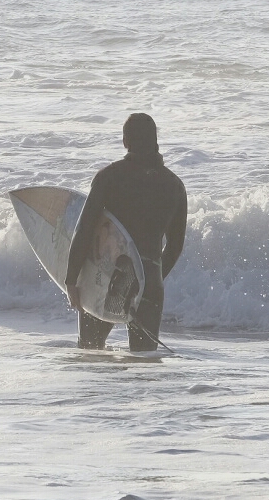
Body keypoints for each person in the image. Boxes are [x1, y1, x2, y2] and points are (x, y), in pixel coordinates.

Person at [65, 113, 188, 351]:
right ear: (155, 141)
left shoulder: (109, 177)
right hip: (150, 283)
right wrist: (148, 279)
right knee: (145, 364)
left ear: (125, 141)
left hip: (107, 278)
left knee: (91, 354)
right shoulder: (175, 186)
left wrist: (71, 279)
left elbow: (85, 229)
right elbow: (175, 247)